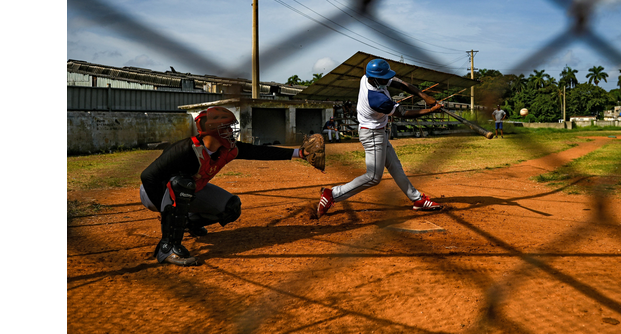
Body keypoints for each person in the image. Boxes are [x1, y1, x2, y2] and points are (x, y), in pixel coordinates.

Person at [140, 106, 325, 266]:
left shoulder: (228, 148)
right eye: (226, 128)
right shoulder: (184, 150)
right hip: (154, 193)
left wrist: (300, 153)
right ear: (212, 130)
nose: (230, 131)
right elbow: (148, 176)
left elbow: (258, 151)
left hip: (189, 192)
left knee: (231, 208)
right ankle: (168, 248)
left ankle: (187, 223)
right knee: (182, 183)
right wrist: (166, 211)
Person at [316, 58, 444, 218]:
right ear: (375, 79)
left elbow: (401, 84)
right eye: (384, 78)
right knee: (373, 177)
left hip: (378, 132)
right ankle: (332, 194)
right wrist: (431, 110)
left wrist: (424, 96)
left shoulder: (367, 78)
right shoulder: (377, 99)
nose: (387, 80)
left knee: (396, 167)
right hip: (372, 135)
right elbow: (404, 113)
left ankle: (417, 199)